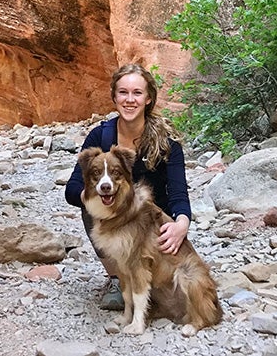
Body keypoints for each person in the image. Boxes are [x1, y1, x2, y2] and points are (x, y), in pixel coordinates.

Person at [65, 63, 192, 310]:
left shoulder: (167, 142)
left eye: (137, 93)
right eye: (123, 92)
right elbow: (72, 189)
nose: (129, 99)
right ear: (114, 97)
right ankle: (116, 278)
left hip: (153, 223)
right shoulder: (100, 137)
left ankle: (150, 279)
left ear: (148, 99)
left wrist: (181, 226)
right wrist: (97, 194)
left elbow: (178, 192)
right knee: (91, 200)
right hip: (114, 218)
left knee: (171, 297)